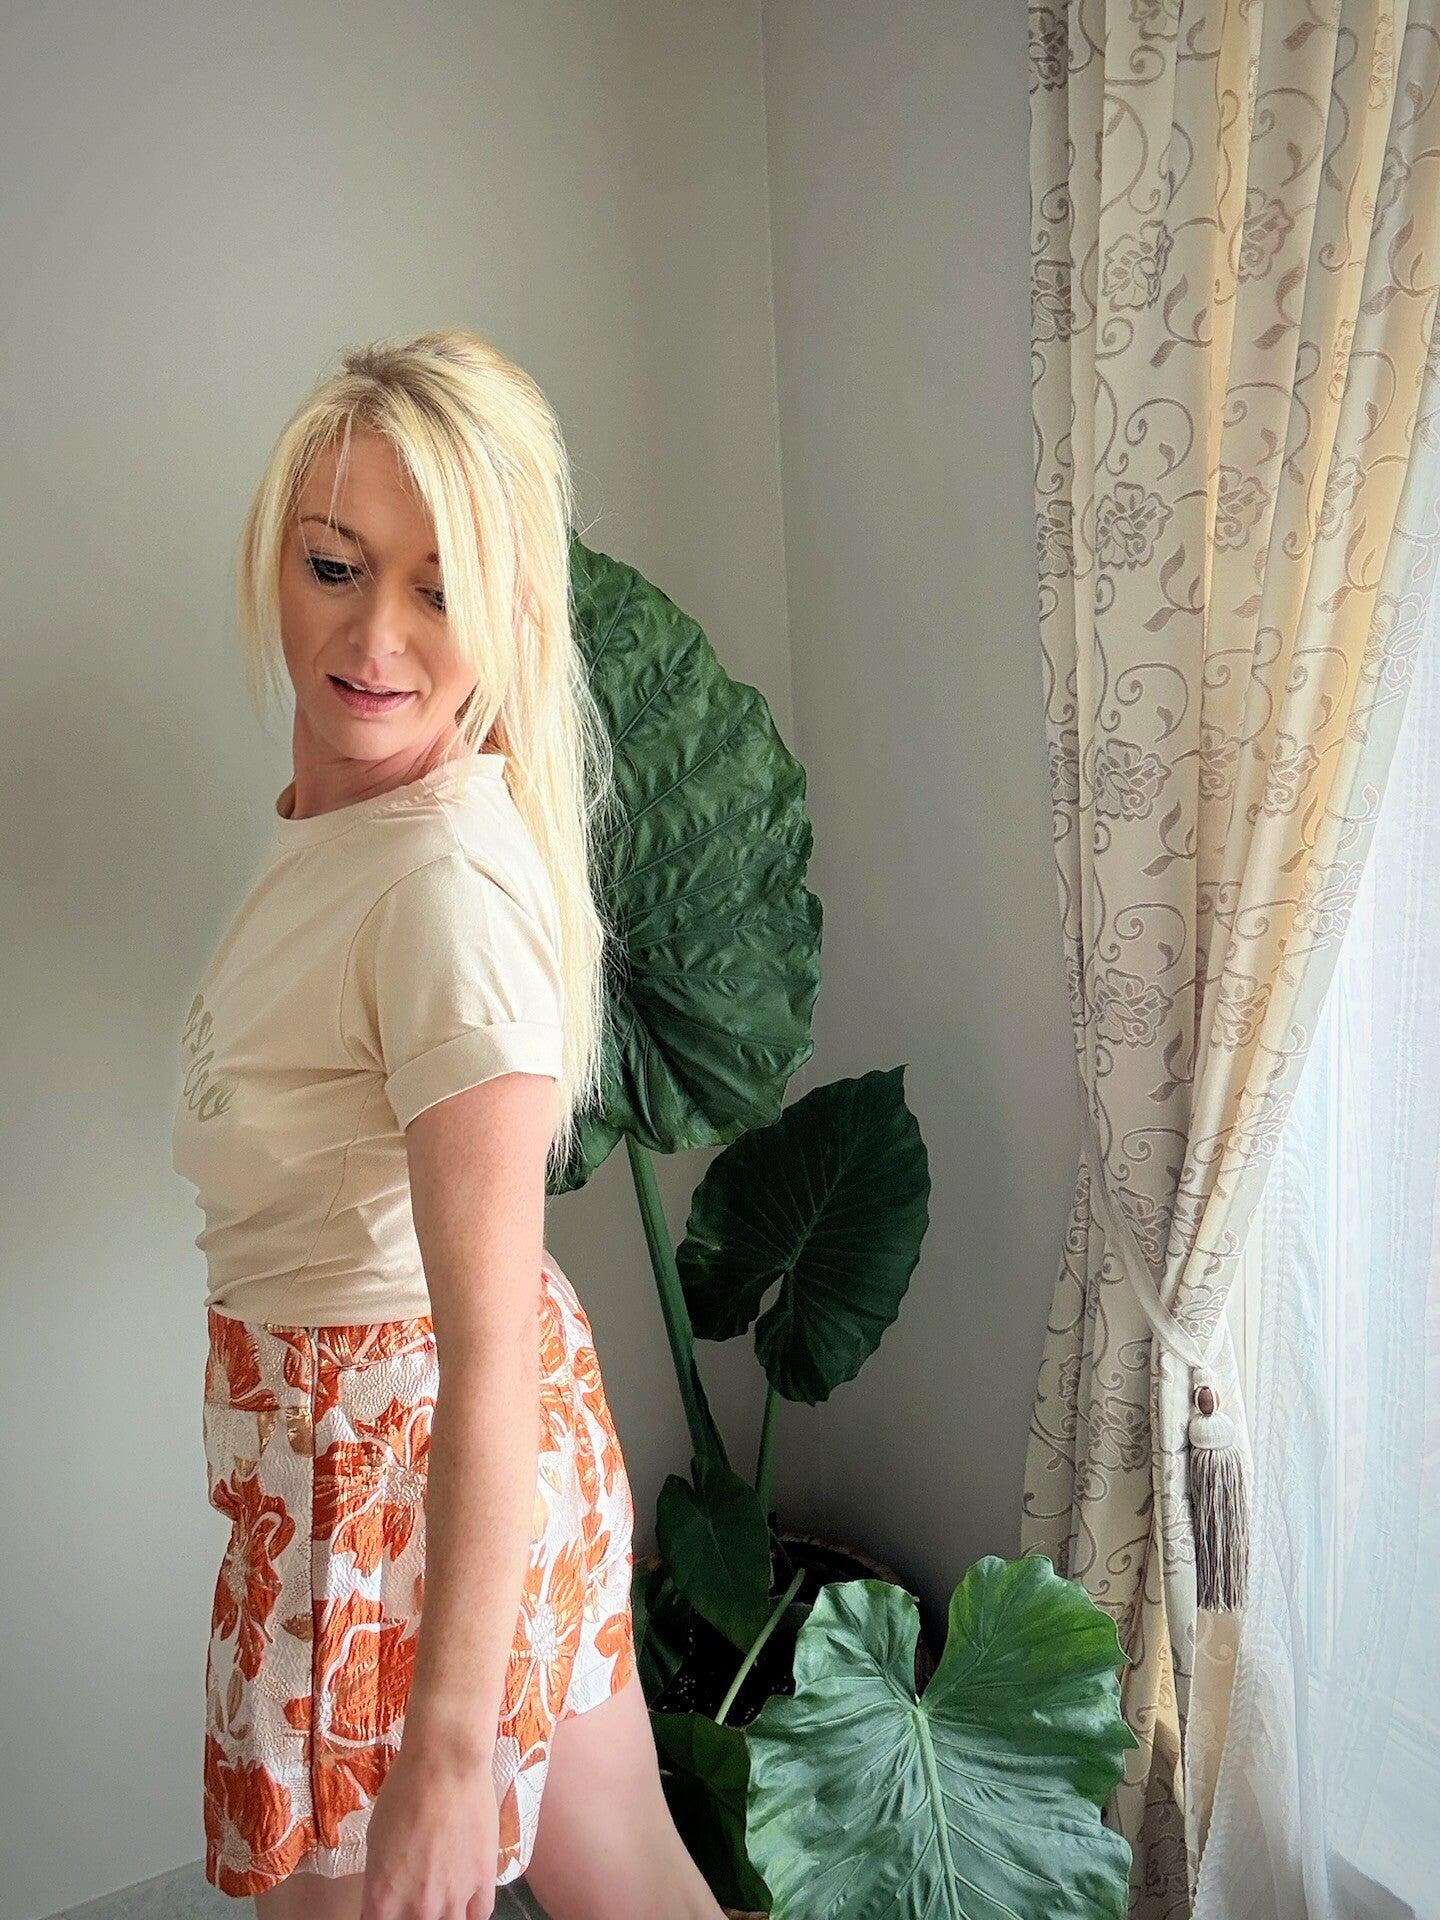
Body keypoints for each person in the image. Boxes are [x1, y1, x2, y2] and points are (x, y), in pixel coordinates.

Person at [172, 329, 727, 1920]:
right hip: (372, 1457)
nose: (376, 638)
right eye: (336, 566)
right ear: (278, 558)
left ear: (514, 612)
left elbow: (480, 1349)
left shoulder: (436, 888)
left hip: (394, 1489)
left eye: (442, 588)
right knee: (634, 1876)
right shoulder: (345, 826)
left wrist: (448, 1748)